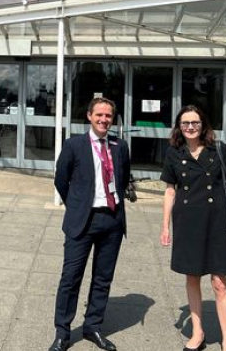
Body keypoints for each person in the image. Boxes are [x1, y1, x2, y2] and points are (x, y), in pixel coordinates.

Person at [160, 105, 226, 351]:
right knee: (192, 277)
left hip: (214, 222)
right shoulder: (173, 152)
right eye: (185, 123)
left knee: (219, 282)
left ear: (203, 125)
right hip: (187, 221)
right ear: (179, 127)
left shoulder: (219, 150)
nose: (190, 127)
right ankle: (198, 332)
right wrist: (165, 226)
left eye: (195, 123)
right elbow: (170, 190)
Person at [50, 97, 131, 351]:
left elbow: (123, 177)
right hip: (82, 221)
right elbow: (61, 180)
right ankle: (63, 332)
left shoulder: (120, 146)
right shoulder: (74, 145)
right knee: (70, 278)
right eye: (99, 115)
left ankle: (93, 326)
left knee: (103, 278)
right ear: (89, 116)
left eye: (108, 116)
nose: (104, 120)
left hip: (112, 220)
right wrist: (76, 205)